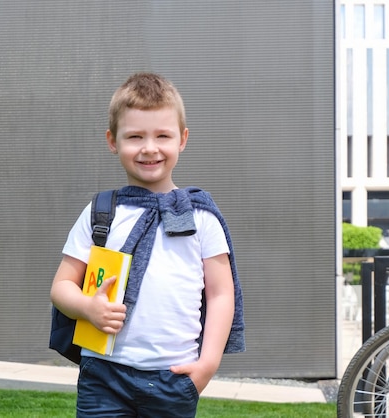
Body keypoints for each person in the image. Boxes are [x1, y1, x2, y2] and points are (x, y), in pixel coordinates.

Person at [50, 72, 245, 417]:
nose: (150, 148)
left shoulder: (201, 217)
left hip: (173, 377)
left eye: (163, 136)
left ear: (182, 139)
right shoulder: (100, 213)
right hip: (103, 374)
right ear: (112, 140)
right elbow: (62, 286)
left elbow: (221, 294)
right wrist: (87, 308)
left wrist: (207, 365)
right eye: (135, 136)